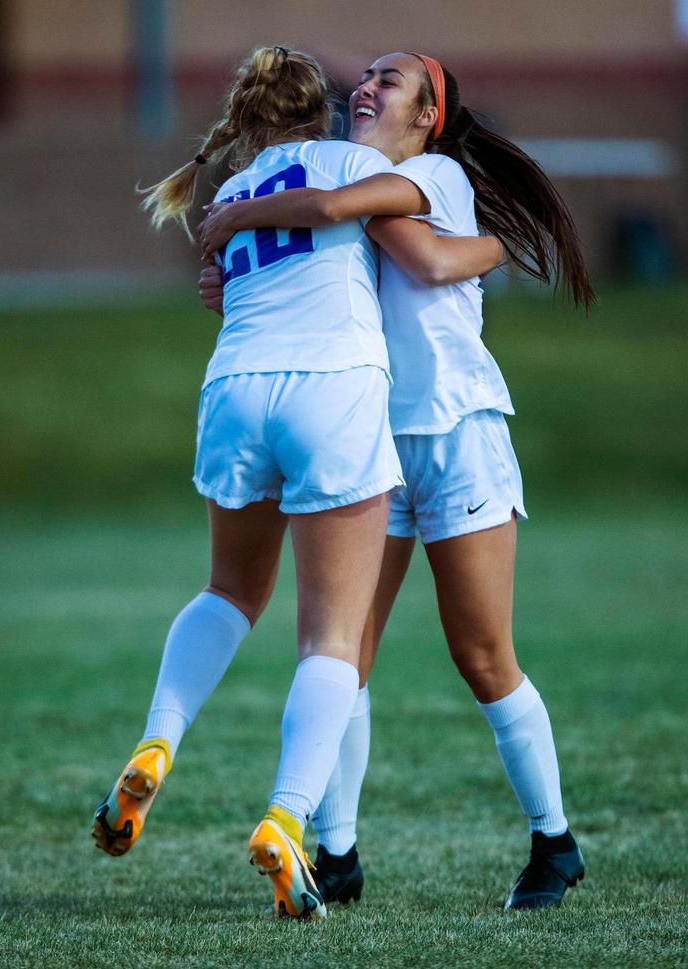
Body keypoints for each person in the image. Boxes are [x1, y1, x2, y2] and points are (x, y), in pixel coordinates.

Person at [90, 46, 500, 920]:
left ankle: (159, 739)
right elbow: (413, 257)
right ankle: (285, 819)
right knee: (331, 637)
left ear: (247, 118)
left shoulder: (230, 195)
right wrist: (497, 245)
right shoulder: (361, 162)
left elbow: (227, 281)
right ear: (322, 109)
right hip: (332, 388)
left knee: (229, 591)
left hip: (234, 388)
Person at [196, 51, 595, 912]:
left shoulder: (429, 174)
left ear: (426, 117)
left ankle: (554, 840)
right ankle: (336, 853)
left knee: (481, 654)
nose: (366, 86)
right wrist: (230, 273)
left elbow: (421, 257)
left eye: (393, 79)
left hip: (457, 434)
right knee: (342, 655)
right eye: (366, 74)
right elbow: (293, 274)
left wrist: (237, 214)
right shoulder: (348, 177)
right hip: (370, 436)